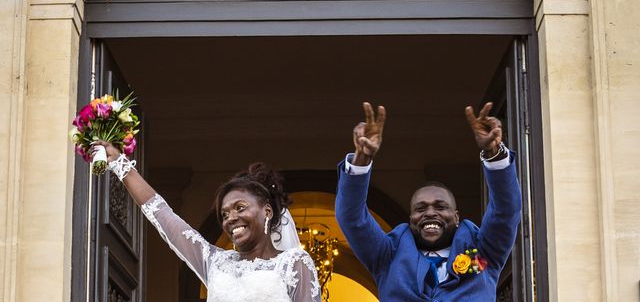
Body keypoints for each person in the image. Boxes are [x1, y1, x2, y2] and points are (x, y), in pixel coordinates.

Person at [335, 102, 522, 301]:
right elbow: (352, 218)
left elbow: (506, 211)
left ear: (456, 217)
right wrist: (362, 160)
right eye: (420, 208)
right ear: (411, 218)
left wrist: (494, 154)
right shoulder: (387, 257)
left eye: (440, 207)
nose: (430, 212)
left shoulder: (483, 254)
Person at [94, 142, 321, 302]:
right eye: (224, 214)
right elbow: (164, 217)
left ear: (267, 211)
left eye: (240, 208)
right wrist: (120, 164)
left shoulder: (294, 263)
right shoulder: (215, 263)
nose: (231, 218)